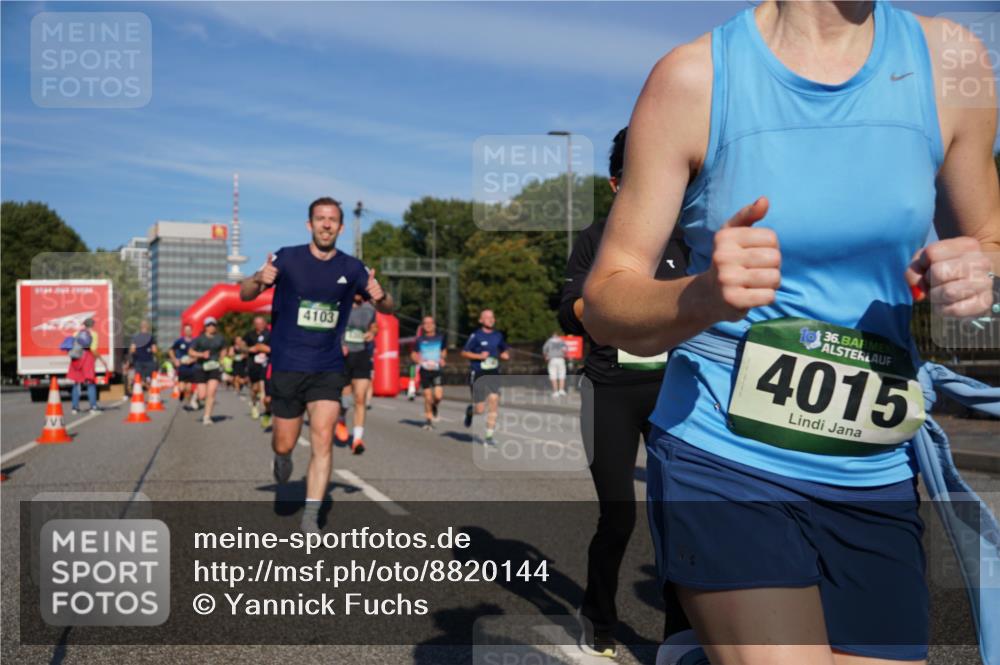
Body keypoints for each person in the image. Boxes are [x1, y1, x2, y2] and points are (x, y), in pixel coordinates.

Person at [584, 3, 999, 664]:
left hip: (874, 460)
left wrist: (981, 274)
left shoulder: (951, 61)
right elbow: (604, 299)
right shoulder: (694, 79)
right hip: (725, 447)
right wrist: (699, 295)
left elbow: (987, 238)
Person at [559, 126, 690, 658]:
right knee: (619, 516)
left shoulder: (688, 238)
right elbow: (569, 312)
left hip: (674, 391)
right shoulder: (594, 240)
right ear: (617, 185)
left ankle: (680, 638)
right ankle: (600, 622)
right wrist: (620, 305)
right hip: (609, 391)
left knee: (680, 517)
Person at [240, 196, 393, 533]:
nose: (326, 224)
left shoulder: (352, 268)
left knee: (323, 440)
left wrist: (381, 296)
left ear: (340, 226)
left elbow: (389, 309)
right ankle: (281, 460)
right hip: (287, 365)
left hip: (326, 366)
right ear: (310, 224)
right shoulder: (287, 258)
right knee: (285, 442)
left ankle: (311, 516)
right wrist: (258, 276)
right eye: (320, 218)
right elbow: (245, 294)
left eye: (332, 219)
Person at [461, 309, 510, 445]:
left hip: (493, 372)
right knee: (480, 409)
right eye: (487, 317)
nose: (490, 319)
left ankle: (489, 436)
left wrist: (504, 355)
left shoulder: (498, 335)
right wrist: (478, 356)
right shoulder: (476, 335)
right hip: (478, 373)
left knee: (494, 401)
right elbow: (464, 353)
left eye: (492, 317)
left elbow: (503, 350)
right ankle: (471, 411)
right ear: (481, 320)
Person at [339, 292, 378, 454]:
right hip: (343, 356)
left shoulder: (369, 308)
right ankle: (341, 419)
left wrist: (372, 332)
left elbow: (374, 325)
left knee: (360, 399)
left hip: (362, 355)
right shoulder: (340, 304)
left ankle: (357, 439)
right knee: (345, 399)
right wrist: (339, 344)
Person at [411, 315, 447, 430]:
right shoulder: (419, 340)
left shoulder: (440, 338)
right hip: (425, 370)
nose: (428, 325)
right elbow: (413, 354)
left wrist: (442, 359)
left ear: (434, 325)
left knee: (438, 396)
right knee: (427, 396)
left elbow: (444, 351)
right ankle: (428, 420)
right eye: (425, 323)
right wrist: (419, 360)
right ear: (423, 326)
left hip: (437, 369)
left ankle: (434, 406)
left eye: (430, 323)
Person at [189, 317, 227, 426]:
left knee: (212, 392)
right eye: (209, 325)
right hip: (201, 367)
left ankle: (207, 417)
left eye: (213, 325)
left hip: (214, 367)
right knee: (202, 395)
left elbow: (224, 349)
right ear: (205, 327)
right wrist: (201, 354)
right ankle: (196, 396)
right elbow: (191, 352)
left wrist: (222, 358)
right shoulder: (199, 339)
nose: (211, 327)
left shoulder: (220, 338)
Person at [66, 317, 104, 414]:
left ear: (84, 324)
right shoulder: (94, 334)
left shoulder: (76, 333)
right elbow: (93, 349)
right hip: (87, 359)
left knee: (76, 383)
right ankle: (93, 406)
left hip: (76, 360)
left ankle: (74, 407)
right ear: (92, 325)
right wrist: (101, 360)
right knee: (90, 383)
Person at [243, 316, 272, 429]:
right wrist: (249, 349)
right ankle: (254, 404)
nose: (259, 325)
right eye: (257, 323)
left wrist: (264, 348)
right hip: (253, 364)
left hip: (267, 364)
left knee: (265, 391)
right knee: (255, 389)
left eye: (261, 323)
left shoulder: (270, 334)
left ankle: (267, 412)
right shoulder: (250, 334)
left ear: (265, 323)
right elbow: (242, 346)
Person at [169, 324, 198, 408]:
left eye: (189, 330)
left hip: (191, 367)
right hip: (182, 368)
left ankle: (187, 403)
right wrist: (175, 360)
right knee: (182, 388)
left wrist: (193, 360)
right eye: (186, 330)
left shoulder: (195, 342)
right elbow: (171, 350)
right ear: (184, 331)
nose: (187, 332)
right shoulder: (179, 341)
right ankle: (182, 394)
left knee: (188, 389)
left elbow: (198, 354)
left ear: (192, 331)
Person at [129, 320, 158, 388]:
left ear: (140, 327)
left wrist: (135, 354)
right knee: (149, 381)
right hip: (149, 361)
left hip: (138, 361)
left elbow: (132, 349)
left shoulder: (136, 337)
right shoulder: (150, 337)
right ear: (147, 327)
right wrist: (150, 350)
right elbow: (155, 350)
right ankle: (149, 393)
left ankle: (141, 392)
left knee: (139, 380)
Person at [542, 331, 568, 398]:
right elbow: (565, 349)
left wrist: (546, 357)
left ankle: (555, 391)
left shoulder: (549, 341)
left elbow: (544, 349)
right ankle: (561, 390)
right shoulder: (561, 341)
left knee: (553, 375)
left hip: (552, 359)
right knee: (562, 374)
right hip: (561, 359)